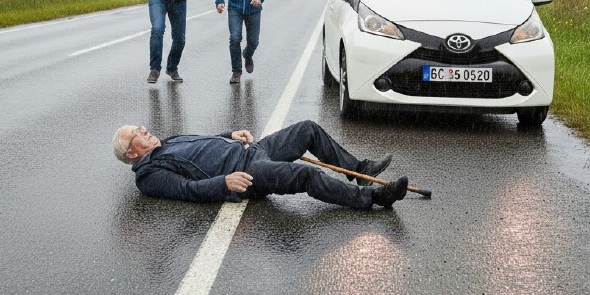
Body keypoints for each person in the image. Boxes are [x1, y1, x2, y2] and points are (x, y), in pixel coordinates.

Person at [112, 119, 407, 209]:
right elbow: (186, 189)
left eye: (139, 127)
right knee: (304, 174)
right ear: (132, 154)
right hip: (248, 172)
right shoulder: (148, 175)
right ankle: (374, 198)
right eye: (135, 134)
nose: (143, 130)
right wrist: (224, 183)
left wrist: (230, 135)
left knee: (307, 129)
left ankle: (362, 171)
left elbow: (204, 143)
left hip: (253, 149)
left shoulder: (167, 141)